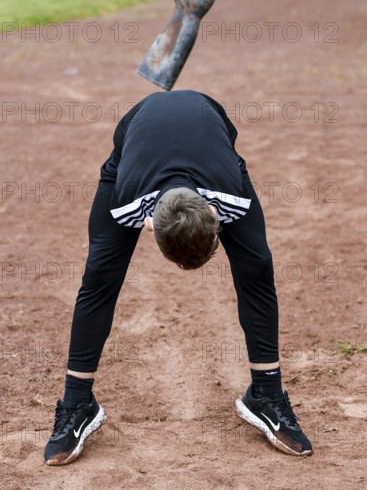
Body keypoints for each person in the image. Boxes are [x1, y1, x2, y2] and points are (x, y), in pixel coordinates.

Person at [44, 90, 312, 466]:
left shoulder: (229, 195)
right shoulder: (128, 202)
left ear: (218, 219)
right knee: (99, 276)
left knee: (257, 267)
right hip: (135, 138)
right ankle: (76, 403)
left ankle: (266, 394)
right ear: (148, 225)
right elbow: (107, 260)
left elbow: (227, 152)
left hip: (212, 130)